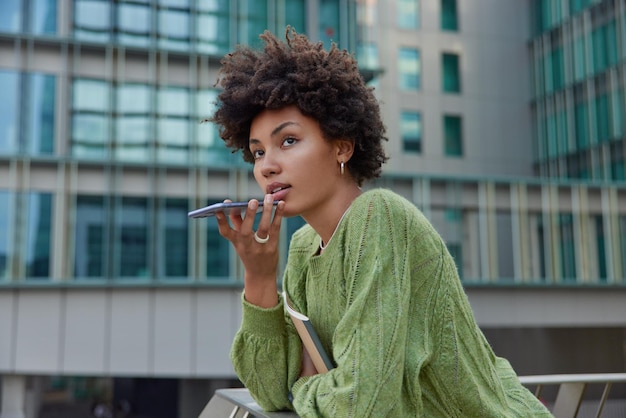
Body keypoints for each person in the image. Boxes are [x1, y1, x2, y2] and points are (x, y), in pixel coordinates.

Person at [210, 27, 552, 417]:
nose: (268, 166)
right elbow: (271, 392)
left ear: (342, 146)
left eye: (288, 141)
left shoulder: (380, 219)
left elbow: (362, 404)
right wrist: (258, 276)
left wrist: (302, 388)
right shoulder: (304, 249)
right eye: (257, 153)